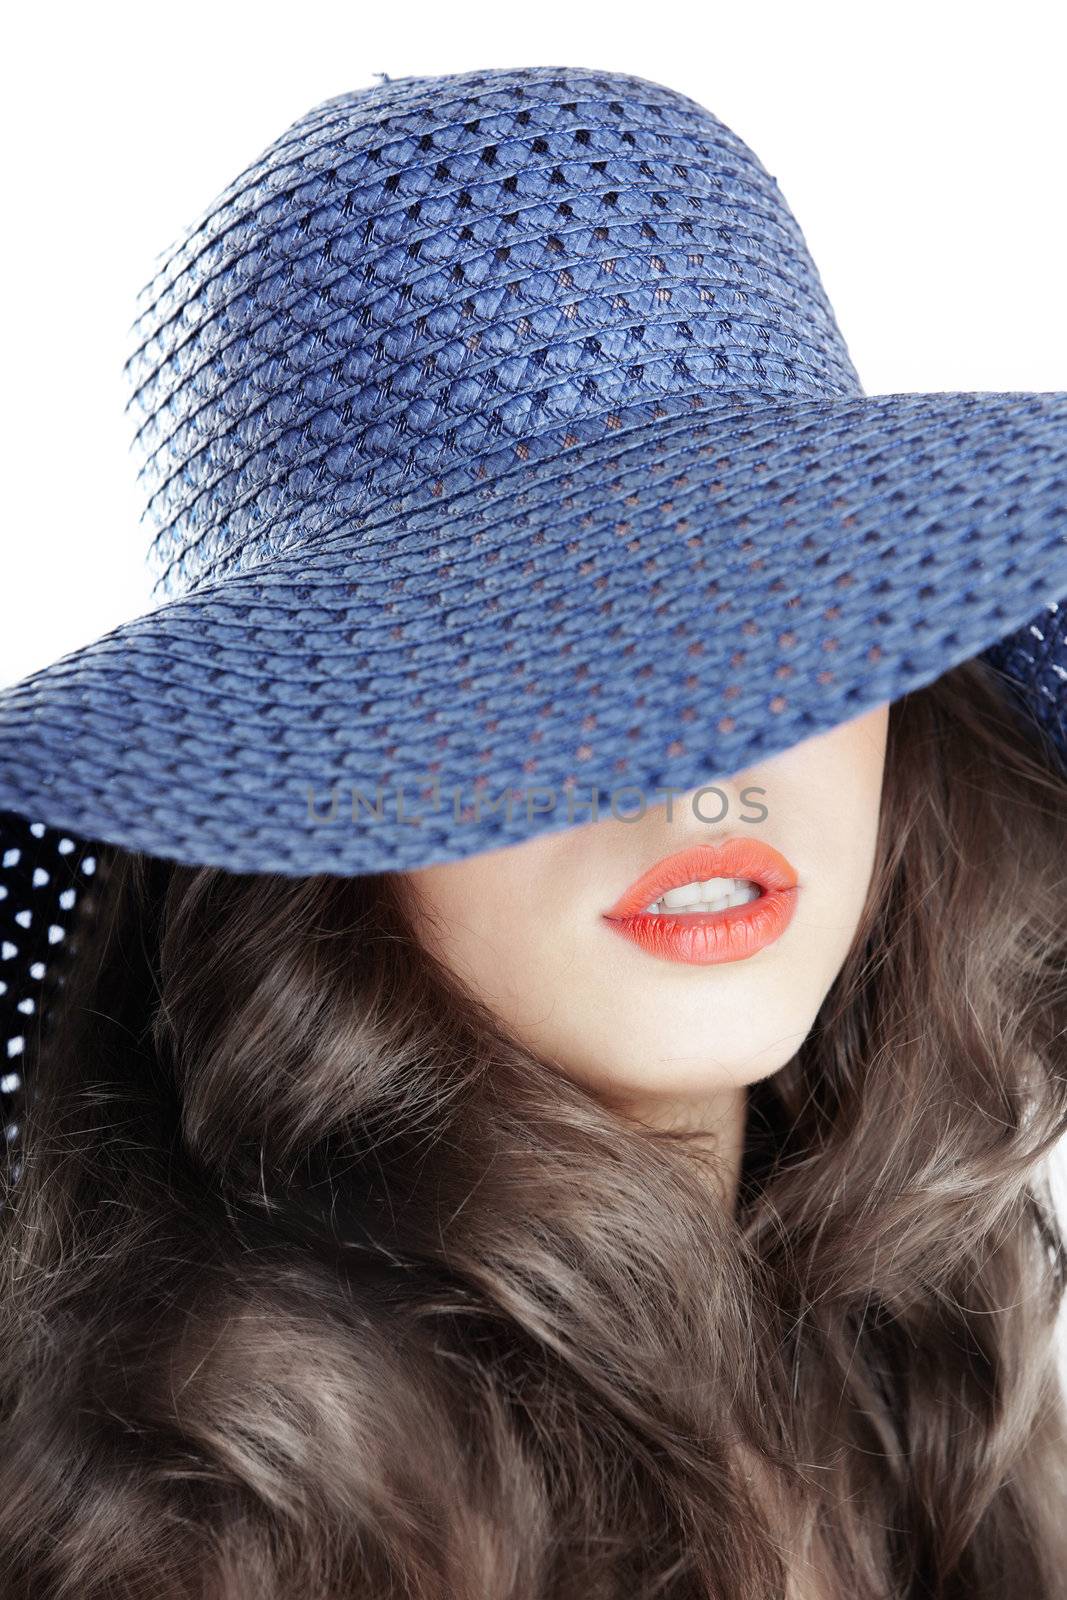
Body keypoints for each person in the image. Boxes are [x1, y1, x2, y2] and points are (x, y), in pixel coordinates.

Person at [0, 64, 1065, 1600]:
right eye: (528, 665)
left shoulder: (933, 1382)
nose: (699, 779)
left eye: (775, 608)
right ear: (304, 806)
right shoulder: (223, 1524)